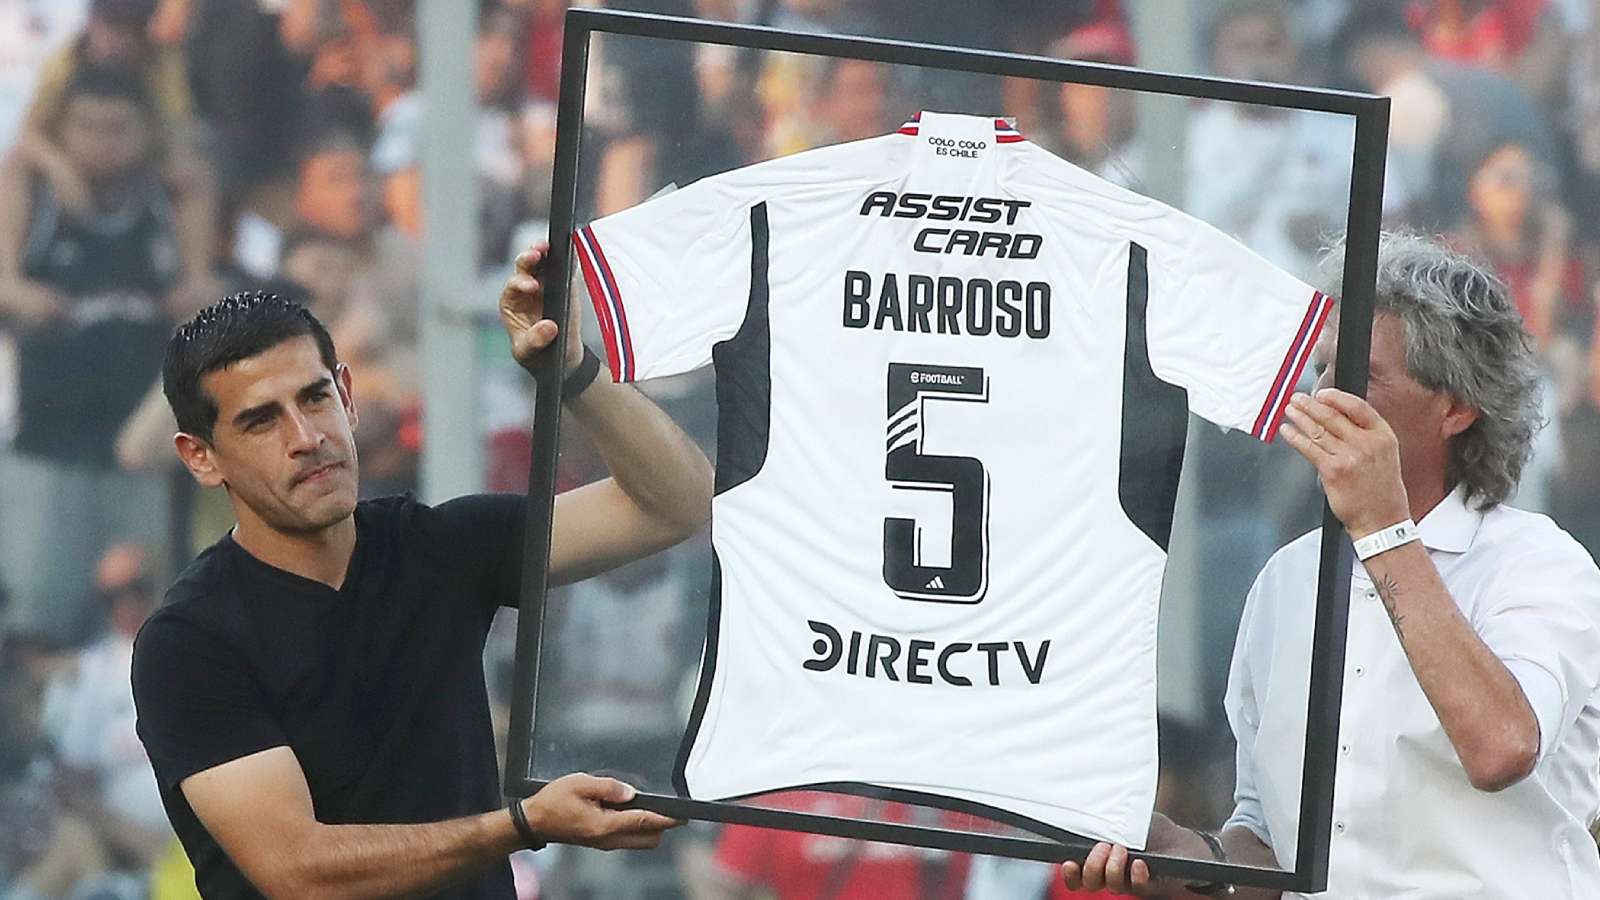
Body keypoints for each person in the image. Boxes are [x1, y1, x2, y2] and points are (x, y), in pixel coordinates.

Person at [130, 241, 709, 898]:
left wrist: (571, 369)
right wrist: (522, 825)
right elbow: (299, 870)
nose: (306, 436)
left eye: (315, 398)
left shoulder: (435, 546)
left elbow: (675, 505)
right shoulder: (190, 642)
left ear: (347, 396)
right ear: (202, 457)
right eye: (262, 420)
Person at [1061, 231, 1600, 898]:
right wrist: (1185, 858)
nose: (1320, 398)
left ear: (1456, 408)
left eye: (1358, 377)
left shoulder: (1539, 565)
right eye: (1319, 370)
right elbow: (1268, 847)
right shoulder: (1286, 583)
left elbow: (1500, 747)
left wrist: (1382, 527)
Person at [0, 68, 181, 644]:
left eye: (117, 127)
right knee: (36, 620)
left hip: (136, 452)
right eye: (87, 126)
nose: (102, 140)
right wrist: (49, 162)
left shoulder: (163, 198)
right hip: (46, 446)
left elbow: (198, 174)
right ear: (61, 129)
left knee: (144, 625)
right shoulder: (36, 195)